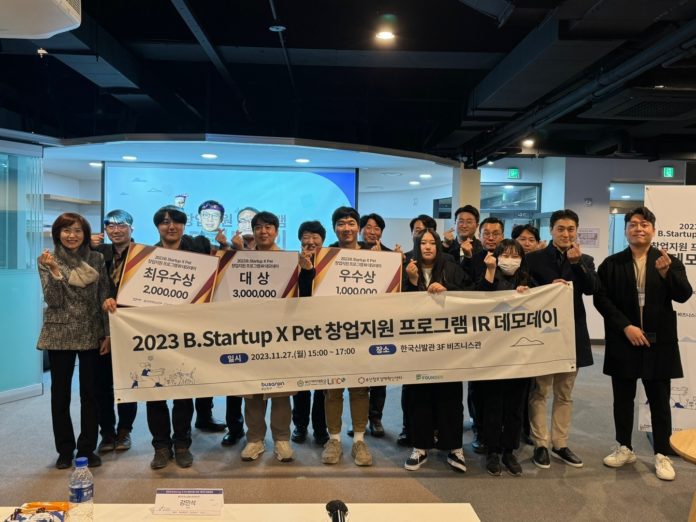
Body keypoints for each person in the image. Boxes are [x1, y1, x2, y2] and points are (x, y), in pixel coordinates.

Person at [594, 206, 692, 481]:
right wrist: (625, 326)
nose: (639, 228)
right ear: (626, 230)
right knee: (623, 399)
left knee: (659, 400)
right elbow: (601, 299)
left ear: (653, 230)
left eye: (645, 224)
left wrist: (667, 274)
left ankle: (662, 453)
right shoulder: (611, 264)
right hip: (624, 340)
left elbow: (684, 295)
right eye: (633, 224)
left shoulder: (668, 261)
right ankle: (624, 447)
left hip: (658, 343)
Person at [526, 209, 599, 470]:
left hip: (572, 334)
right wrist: (548, 290)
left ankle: (560, 443)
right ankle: (540, 444)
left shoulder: (585, 259)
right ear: (551, 230)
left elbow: (592, 289)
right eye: (560, 229)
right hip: (543, 334)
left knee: (565, 392)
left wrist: (577, 264)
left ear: (576, 231)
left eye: (570, 229)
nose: (566, 234)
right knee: (540, 391)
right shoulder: (533, 259)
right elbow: (524, 292)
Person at [37, 212, 111, 469]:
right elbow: (54, 300)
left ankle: (87, 448)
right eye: (66, 230)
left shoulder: (96, 258)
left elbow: (103, 296)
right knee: (60, 395)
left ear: (85, 233)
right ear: (57, 233)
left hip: (91, 330)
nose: (72, 235)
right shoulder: (48, 260)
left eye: (78, 230)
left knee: (91, 394)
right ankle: (65, 450)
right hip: (60, 333)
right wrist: (55, 271)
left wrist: (107, 333)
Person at [402, 228, 470, 472]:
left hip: (448, 344)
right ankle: (420, 446)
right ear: (417, 246)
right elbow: (396, 306)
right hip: (417, 346)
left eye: (432, 242)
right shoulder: (407, 269)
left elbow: (470, 294)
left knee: (450, 397)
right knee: (419, 396)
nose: (428, 247)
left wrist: (448, 290)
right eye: (423, 243)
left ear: (439, 246)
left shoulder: (451, 267)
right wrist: (412, 283)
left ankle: (454, 447)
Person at [240, 211, 296, 463]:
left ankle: (282, 439)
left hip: (280, 335)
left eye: (268, 227)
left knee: (281, 391)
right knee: (252, 391)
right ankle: (254, 440)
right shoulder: (242, 261)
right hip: (249, 334)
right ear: (253, 231)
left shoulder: (289, 260)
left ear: (276, 231)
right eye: (258, 227)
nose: (263, 232)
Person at [477, 239, 535, 476]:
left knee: (515, 405)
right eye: (505, 255)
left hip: (520, 355)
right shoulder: (488, 276)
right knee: (493, 403)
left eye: (515, 256)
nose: (510, 260)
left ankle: (509, 451)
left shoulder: (528, 281)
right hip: (492, 353)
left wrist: (529, 295)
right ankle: (492, 450)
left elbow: (543, 303)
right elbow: (480, 299)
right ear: (496, 256)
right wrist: (490, 270)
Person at [321, 207, 374, 466]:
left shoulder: (374, 256)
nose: (346, 228)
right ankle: (334, 440)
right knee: (332, 390)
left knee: (360, 389)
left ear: (358, 227)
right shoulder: (325, 256)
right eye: (341, 223)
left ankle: (359, 441)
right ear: (334, 228)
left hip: (363, 334)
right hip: (332, 333)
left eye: (351, 223)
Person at [91, 210, 138, 453]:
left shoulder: (144, 254)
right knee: (101, 384)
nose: (116, 230)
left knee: (128, 382)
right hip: (101, 326)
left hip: (131, 328)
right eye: (111, 226)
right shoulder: (98, 253)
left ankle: (124, 431)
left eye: (122, 225)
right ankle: (107, 433)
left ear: (132, 228)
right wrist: (86, 246)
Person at [291, 221, 330, 446]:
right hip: (299, 332)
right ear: (300, 240)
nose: (311, 241)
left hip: (326, 332)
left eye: (316, 237)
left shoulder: (331, 264)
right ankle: (300, 425)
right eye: (306, 237)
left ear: (323, 240)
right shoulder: (291, 264)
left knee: (323, 384)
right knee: (301, 383)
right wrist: (305, 270)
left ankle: (321, 428)